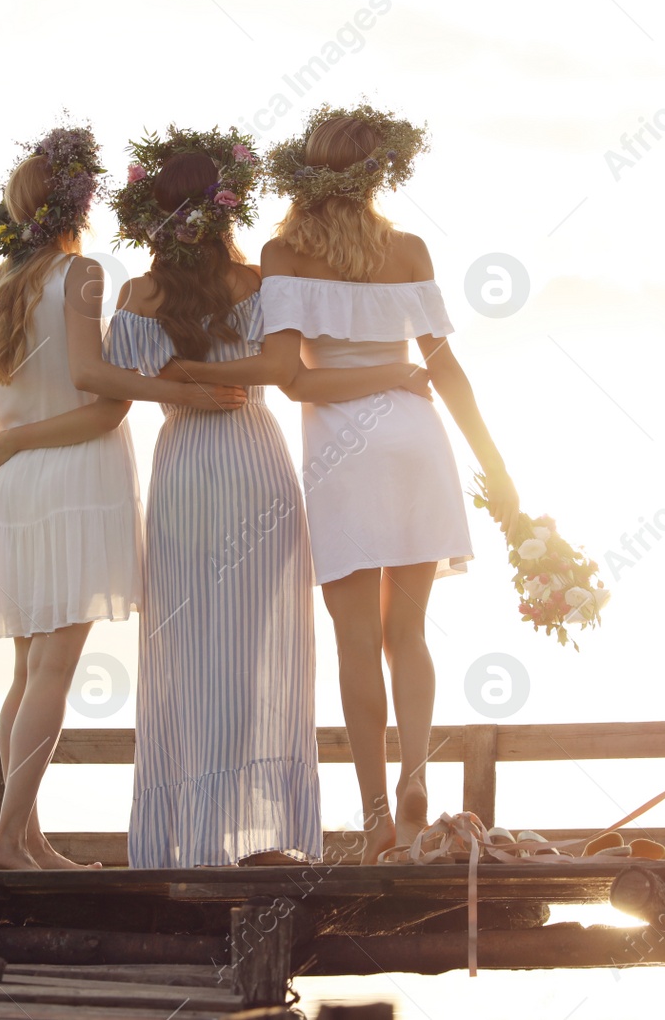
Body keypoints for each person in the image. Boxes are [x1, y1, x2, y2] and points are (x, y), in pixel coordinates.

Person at [0, 126, 238, 870]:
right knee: (52, 668)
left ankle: (27, 836)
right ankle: (7, 840)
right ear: (76, 204)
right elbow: (99, 391)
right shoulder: (81, 276)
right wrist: (179, 391)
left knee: (27, 671)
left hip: (18, 485)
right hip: (78, 475)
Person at [100, 129, 423, 867]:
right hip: (254, 459)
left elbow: (112, 396)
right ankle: (264, 838)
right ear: (226, 209)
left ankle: (196, 839)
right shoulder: (259, 286)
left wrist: (174, 385)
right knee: (253, 651)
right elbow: (289, 368)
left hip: (183, 464)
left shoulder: (138, 296)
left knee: (183, 652)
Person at [259, 105, 520, 863]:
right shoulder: (407, 250)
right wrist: (494, 465)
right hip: (416, 443)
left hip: (345, 451)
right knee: (409, 632)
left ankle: (377, 815)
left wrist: (370, 374)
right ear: (381, 172)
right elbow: (442, 367)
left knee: (356, 643)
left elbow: (295, 384)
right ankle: (415, 779)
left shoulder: (284, 254)